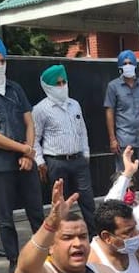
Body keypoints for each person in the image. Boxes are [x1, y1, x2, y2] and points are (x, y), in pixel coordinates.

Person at [0, 36, 43, 273]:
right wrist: (23, 150)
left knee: (36, 212)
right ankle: (14, 260)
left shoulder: (15, 88)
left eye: (3, 61)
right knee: (5, 218)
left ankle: (43, 255)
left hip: (25, 161)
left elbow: (29, 123)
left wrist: (28, 152)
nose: (0, 65)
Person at [33, 64, 95, 240]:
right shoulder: (40, 109)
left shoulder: (74, 104)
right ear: (48, 86)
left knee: (88, 200)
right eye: (57, 84)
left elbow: (82, 130)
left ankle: (94, 236)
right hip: (56, 162)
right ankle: (64, 238)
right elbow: (35, 137)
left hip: (78, 159)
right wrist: (40, 161)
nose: (62, 86)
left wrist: (86, 152)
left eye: (64, 82)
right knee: (61, 203)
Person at [104, 50, 139, 197]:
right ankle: (122, 204)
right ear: (120, 66)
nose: (128, 66)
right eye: (125, 63)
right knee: (123, 175)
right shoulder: (113, 86)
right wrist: (112, 138)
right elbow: (109, 111)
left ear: (135, 65)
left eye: (130, 63)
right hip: (124, 137)